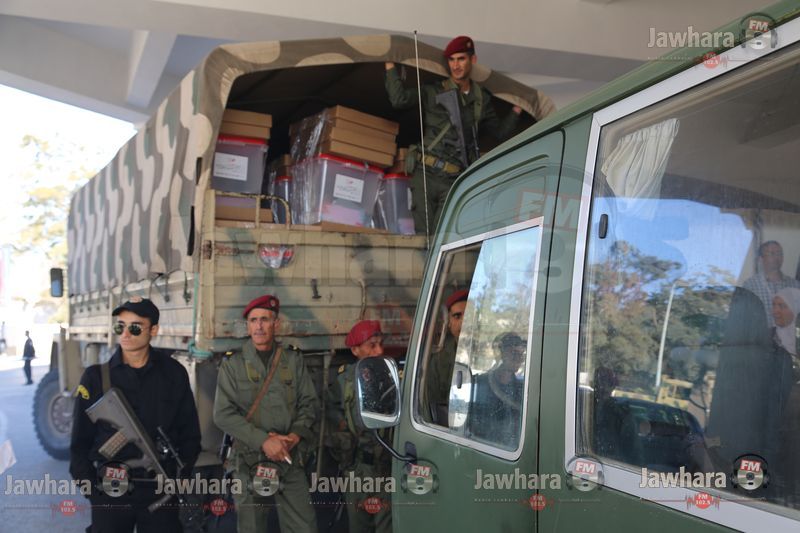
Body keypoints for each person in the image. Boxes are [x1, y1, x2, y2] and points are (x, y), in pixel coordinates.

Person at [69, 297, 202, 532]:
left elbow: (190, 434)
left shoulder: (174, 374)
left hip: (160, 487)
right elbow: (79, 442)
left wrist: (179, 479)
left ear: (154, 330)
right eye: (120, 327)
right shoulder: (96, 377)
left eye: (135, 327)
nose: (126, 334)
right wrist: (93, 492)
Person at [385, 36, 523, 234]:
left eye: (461, 59)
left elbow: (500, 133)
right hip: (426, 173)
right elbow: (399, 100)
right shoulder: (433, 90)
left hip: (453, 179)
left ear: (472, 60)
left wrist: (517, 109)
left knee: (442, 237)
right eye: (451, 60)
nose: (456, 65)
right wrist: (390, 65)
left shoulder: (481, 99)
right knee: (424, 236)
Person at [213, 294, 318, 533]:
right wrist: (264, 441)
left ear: (276, 324)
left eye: (265, 319)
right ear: (248, 326)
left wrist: (294, 436)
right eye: (254, 320)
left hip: (289, 457)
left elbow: (309, 403)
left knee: (304, 526)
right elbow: (223, 414)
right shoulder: (233, 364)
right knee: (252, 526)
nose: (259, 326)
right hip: (249, 459)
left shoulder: (293, 360)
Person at [325, 320, 392, 533]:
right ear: (355, 350)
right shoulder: (344, 382)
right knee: (359, 525)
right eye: (372, 345)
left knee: (387, 526)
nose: (379, 351)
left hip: (386, 468)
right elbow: (331, 417)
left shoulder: (392, 378)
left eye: (380, 344)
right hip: (357, 468)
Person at [469, 332, 526, 448]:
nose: (519, 359)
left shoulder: (522, 388)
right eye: (513, 353)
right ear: (500, 354)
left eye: (521, 354)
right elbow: (473, 424)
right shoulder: (480, 383)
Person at [424, 288, 468, 425]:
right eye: (457, 316)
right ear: (448, 322)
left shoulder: (489, 354)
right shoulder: (439, 360)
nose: (464, 322)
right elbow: (435, 406)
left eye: (469, 315)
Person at [743, 241, 800, 327]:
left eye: (779, 253)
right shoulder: (750, 286)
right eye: (772, 253)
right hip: (762, 334)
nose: (777, 257)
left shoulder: (795, 285)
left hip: (789, 334)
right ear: (761, 259)